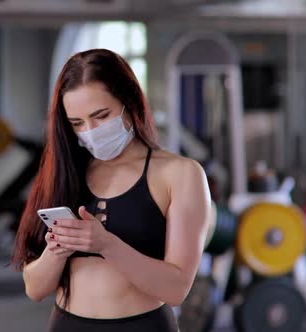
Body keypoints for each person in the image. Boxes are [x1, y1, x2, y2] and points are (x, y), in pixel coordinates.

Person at [11, 48, 211, 331]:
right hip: (67, 323)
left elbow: (176, 290)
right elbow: (35, 289)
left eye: (101, 116)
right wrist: (57, 250)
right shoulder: (67, 172)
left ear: (128, 101)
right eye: (77, 123)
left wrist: (106, 244)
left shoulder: (179, 174)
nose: (90, 131)